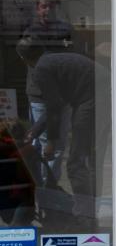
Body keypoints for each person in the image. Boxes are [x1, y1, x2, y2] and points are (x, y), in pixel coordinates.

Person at [17, 44, 110, 227]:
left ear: (23, 59)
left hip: (92, 98)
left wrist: (51, 141)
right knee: (89, 160)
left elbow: (54, 108)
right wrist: (34, 131)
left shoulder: (42, 69)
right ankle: (89, 214)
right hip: (97, 94)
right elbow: (59, 103)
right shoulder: (53, 60)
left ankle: (85, 218)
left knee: (76, 163)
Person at [22, 0, 72, 183]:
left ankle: (48, 190)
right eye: (44, 6)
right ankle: (44, 191)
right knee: (42, 143)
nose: (48, 10)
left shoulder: (65, 31)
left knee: (55, 145)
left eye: (51, 6)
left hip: (63, 95)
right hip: (41, 96)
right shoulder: (31, 33)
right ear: (37, 9)